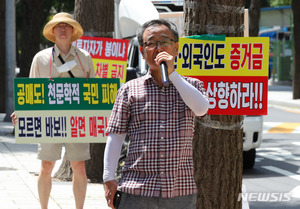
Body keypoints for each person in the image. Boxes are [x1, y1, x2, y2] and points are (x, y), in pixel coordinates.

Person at [103, 19, 209, 209]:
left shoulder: (192, 86)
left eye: (165, 41)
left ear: (176, 48)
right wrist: (108, 177)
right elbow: (116, 135)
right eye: (151, 43)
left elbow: (201, 108)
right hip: (136, 189)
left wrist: (173, 74)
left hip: (180, 190)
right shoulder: (129, 90)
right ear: (143, 52)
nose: (158, 48)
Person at [11, 12, 95, 209]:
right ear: (53, 31)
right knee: (46, 166)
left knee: (79, 167)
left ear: (73, 30)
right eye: (59, 26)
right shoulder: (41, 59)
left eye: (67, 25)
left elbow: (94, 93)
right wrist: (22, 113)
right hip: (50, 119)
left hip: (77, 119)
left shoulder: (85, 58)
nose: (63, 28)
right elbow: (31, 91)